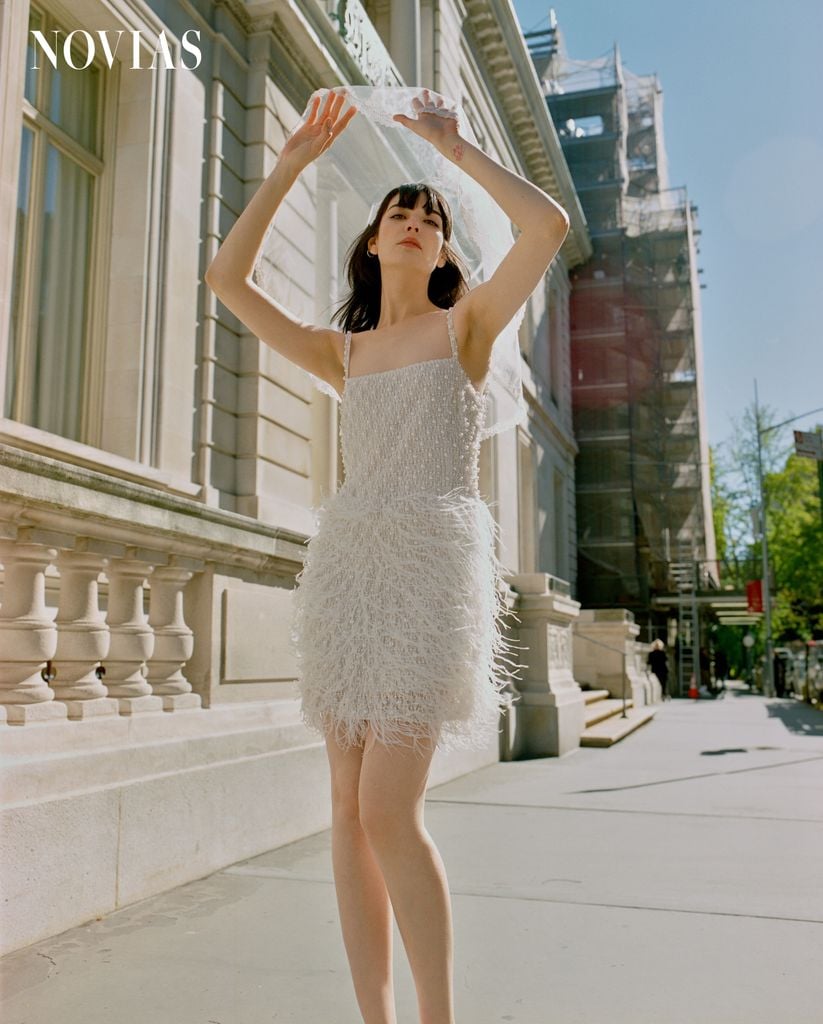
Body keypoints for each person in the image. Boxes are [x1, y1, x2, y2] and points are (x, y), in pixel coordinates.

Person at [205, 87, 569, 1024]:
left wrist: (455, 153)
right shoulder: (344, 351)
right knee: (343, 811)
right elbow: (227, 281)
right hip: (347, 574)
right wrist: (286, 168)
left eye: (428, 218)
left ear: (443, 249)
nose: (412, 222)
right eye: (397, 213)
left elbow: (547, 222)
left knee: (387, 810)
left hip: (428, 570)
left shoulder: (467, 327)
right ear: (372, 243)